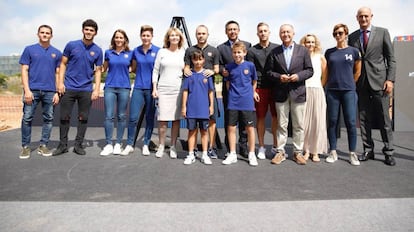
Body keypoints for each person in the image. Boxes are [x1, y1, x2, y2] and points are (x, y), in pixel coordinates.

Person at [348, 6, 397, 166]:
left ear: (371, 17)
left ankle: (388, 151)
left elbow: (391, 59)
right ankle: (368, 149)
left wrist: (390, 80)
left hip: (380, 82)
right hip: (361, 83)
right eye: (360, 16)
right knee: (363, 119)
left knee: (384, 119)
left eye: (366, 16)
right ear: (357, 18)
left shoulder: (383, 32)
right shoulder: (353, 36)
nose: (363, 19)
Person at [265, 24, 313, 165]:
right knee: (282, 124)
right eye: (282, 32)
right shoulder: (274, 52)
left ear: (293, 33)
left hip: (298, 93)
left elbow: (310, 70)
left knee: (298, 125)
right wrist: (279, 77)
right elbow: (268, 72)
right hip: (281, 93)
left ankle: (297, 152)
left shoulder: (303, 51)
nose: (285, 34)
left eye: (288, 32)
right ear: (279, 34)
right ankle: (280, 152)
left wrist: (298, 76)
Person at [53, 19, 103, 156]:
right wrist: (60, 83)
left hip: (86, 89)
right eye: (86, 29)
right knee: (64, 117)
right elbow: (63, 64)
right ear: (82, 30)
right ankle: (62, 145)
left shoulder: (98, 50)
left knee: (83, 118)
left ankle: (78, 145)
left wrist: (96, 89)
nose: (89, 32)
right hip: (68, 87)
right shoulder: (71, 45)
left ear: (95, 33)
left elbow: (98, 71)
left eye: (91, 30)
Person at [19, 25, 62, 159]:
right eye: (42, 32)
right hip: (32, 90)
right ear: (38, 34)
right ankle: (25, 147)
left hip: (50, 91)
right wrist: (27, 90)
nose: (45, 35)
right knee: (27, 118)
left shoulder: (57, 52)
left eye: (47, 33)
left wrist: (56, 92)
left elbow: (58, 73)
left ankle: (43, 145)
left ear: (51, 35)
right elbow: (24, 70)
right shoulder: (29, 49)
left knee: (48, 119)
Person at [324, 23, 362, 166]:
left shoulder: (354, 51)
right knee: (333, 122)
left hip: (349, 91)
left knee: (351, 122)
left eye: (340, 33)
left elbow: (358, 70)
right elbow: (326, 71)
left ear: (346, 34)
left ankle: (352, 153)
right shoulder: (329, 52)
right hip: (332, 91)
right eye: (335, 33)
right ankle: (332, 151)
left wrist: (351, 82)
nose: (338, 35)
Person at [121, 25, 160, 156]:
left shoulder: (158, 51)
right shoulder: (135, 51)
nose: (146, 38)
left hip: (152, 89)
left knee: (149, 118)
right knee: (132, 118)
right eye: (143, 35)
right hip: (138, 88)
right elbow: (133, 67)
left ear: (152, 37)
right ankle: (130, 144)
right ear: (140, 36)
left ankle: (145, 145)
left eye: (148, 35)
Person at [183, 25, 220, 159]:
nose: (201, 35)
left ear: (207, 34)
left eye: (203, 33)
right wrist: (186, 70)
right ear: (195, 35)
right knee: (193, 127)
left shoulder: (214, 50)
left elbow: (217, 68)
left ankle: (211, 148)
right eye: (199, 33)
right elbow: (186, 67)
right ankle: (193, 151)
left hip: (208, 90)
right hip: (194, 89)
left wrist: (213, 71)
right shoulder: (189, 50)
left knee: (211, 119)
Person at [222, 41, 260, 166]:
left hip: (247, 102)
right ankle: (232, 153)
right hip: (233, 102)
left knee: (249, 128)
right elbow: (228, 83)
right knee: (231, 128)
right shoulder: (229, 67)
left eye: (239, 52)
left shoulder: (250, 66)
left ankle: (251, 154)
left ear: (244, 53)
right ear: (232, 54)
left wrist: (252, 93)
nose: (237, 54)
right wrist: (233, 94)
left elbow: (254, 81)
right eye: (234, 52)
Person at [217, 20, 251, 157]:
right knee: (229, 120)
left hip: (244, 90)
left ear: (238, 30)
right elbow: (218, 66)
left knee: (244, 120)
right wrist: (222, 70)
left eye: (234, 29)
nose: (232, 31)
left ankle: (243, 147)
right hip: (229, 89)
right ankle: (229, 149)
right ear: (226, 31)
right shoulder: (220, 48)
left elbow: (250, 66)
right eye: (229, 29)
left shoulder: (247, 45)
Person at [246, 22, 278, 160]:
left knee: (277, 118)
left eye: (265, 30)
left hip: (276, 87)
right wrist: (253, 90)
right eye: (260, 31)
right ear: (257, 33)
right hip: (260, 88)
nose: (263, 33)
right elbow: (251, 73)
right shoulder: (252, 51)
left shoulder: (277, 48)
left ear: (269, 32)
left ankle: (276, 147)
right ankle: (262, 147)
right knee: (260, 118)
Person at [152, 27, 185, 159]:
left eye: (176, 36)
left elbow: (187, 70)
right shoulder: (161, 52)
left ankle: (172, 146)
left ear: (180, 38)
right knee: (162, 121)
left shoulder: (183, 52)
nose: (174, 38)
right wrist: (155, 88)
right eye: (172, 35)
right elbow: (155, 71)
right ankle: (161, 146)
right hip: (163, 90)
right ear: (168, 38)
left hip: (178, 90)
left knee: (176, 120)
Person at [99, 29, 132, 156]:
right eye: (116, 37)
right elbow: (103, 68)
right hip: (110, 87)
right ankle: (108, 144)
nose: (119, 39)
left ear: (125, 39)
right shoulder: (108, 53)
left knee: (122, 116)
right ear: (114, 39)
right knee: (108, 116)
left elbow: (133, 68)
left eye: (121, 37)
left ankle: (118, 143)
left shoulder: (130, 53)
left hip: (124, 87)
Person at [182, 50, 215, 165]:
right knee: (192, 131)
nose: (198, 62)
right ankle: (191, 154)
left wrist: (211, 106)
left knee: (204, 132)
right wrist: (183, 107)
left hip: (203, 109)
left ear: (204, 60)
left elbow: (211, 92)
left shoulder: (207, 75)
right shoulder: (188, 75)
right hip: (191, 108)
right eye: (195, 59)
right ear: (192, 60)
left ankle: (205, 154)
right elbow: (185, 92)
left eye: (200, 59)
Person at [299, 34, 328, 162]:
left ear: (315, 44)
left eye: (312, 42)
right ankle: (306, 150)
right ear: (303, 44)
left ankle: (315, 151)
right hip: (304, 92)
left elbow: (325, 75)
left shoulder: (320, 57)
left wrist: (318, 87)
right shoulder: (300, 58)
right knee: (304, 123)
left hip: (317, 91)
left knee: (317, 122)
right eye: (307, 42)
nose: (310, 44)